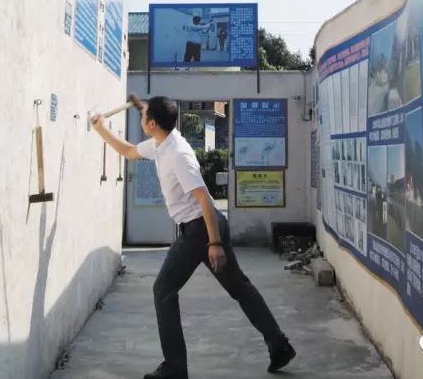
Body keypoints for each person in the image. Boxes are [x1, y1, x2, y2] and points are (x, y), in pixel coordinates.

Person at [91, 97, 295, 379]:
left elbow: (204, 200)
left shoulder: (178, 154)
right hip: (202, 226)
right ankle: (279, 345)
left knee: (163, 290)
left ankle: (175, 368)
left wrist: (215, 244)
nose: (141, 119)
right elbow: (127, 151)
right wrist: (101, 128)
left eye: (144, 116)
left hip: (201, 228)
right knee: (239, 287)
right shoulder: (160, 142)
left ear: (153, 124)